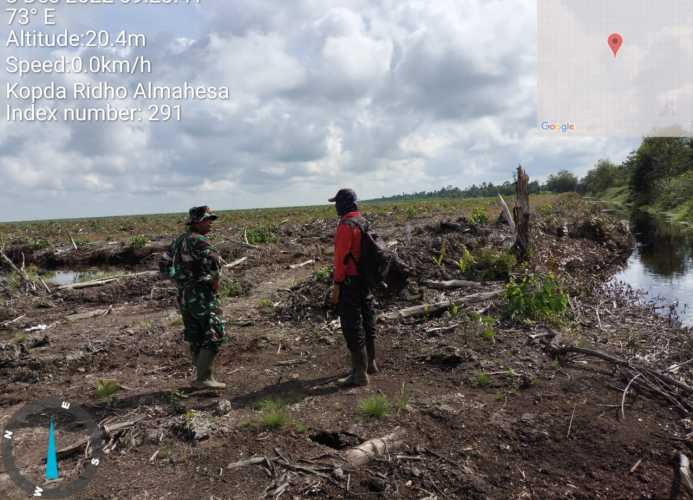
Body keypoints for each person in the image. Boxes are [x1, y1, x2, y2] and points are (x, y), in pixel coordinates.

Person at [160, 206, 227, 389]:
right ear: (197, 222)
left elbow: (164, 263)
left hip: (184, 295)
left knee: (196, 335)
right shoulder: (199, 241)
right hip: (201, 294)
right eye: (207, 220)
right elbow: (216, 262)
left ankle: (202, 378)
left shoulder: (179, 240)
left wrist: (177, 279)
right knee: (215, 332)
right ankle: (203, 379)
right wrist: (215, 282)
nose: (210, 223)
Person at [329, 188, 378, 387]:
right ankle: (371, 364)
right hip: (366, 280)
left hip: (350, 280)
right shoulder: (363, 221)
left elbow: (340, 258)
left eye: (337, 203)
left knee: (352, 325)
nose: (335, 208)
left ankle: (359, 374)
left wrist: (337, 285)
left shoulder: (345, 225)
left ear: (345, 204)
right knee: (368, 320)